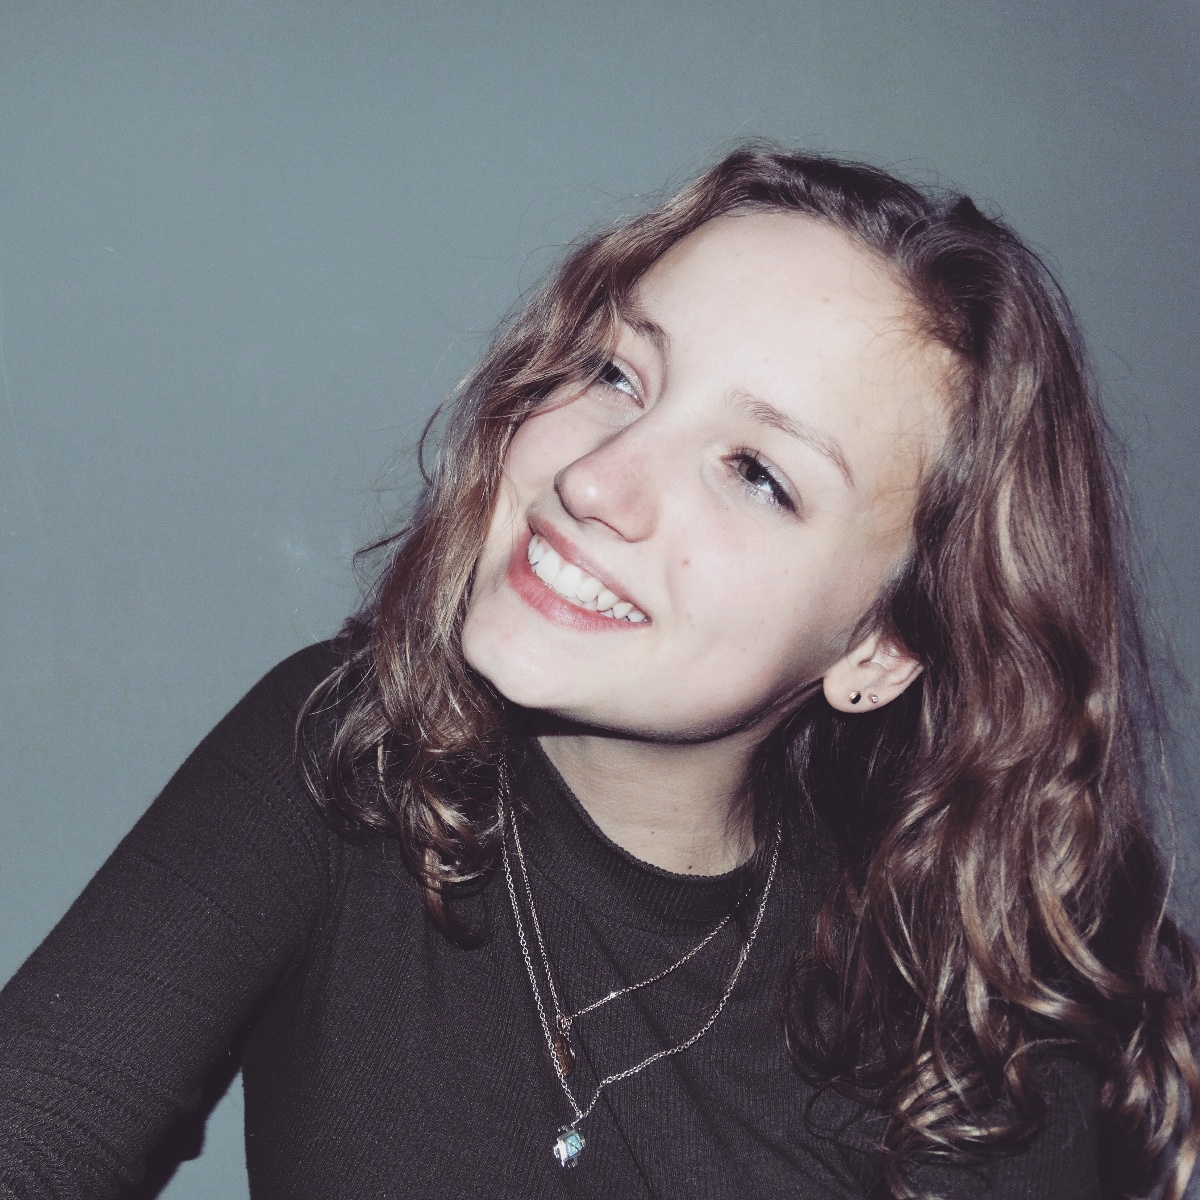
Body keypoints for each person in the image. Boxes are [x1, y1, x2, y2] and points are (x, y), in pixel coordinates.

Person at [1, 145, 1197, 1200]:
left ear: (880, 649)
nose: (593, 480)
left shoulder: (966, 1007)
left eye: (756, 473)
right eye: (620, 374)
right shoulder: (343, 751)